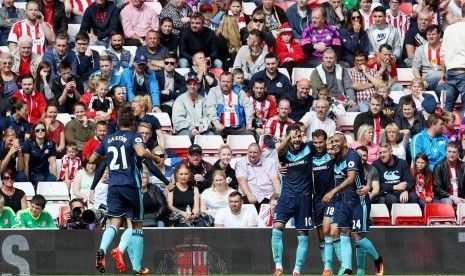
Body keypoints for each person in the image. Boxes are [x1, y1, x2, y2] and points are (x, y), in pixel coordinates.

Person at [89, 106, 161, 275]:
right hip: (130, 185)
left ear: (117, 122)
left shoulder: (108, 138)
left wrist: (106, 153)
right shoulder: (134, 136)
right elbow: (142, 152)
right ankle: (121, 252)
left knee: (114, 223)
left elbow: (91, 159)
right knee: (135, 225)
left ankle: (102, 249)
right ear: (133, 123)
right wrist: (155, 157)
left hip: (113, 186)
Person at [322, 133, 384, 276]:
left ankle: (378, 259)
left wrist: (367, 186)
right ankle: (348, 270)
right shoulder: (336, 158)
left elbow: (351, 179)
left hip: (358, 201)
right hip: (343, 202)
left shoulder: (352, 156)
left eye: (337, 141)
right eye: (333, 142)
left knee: (358, 237)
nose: (335, 144)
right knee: (344, 233)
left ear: (345, 143)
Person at [272, 124, 314, 276]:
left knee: (302, 235)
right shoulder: (284, 152)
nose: (296, 139)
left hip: (304, 198)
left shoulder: (309, 147)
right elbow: (279, 150)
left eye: (298, 136)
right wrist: (290, 136)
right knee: (276, 229)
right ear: (288, 136)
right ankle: (278, 267)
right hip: (286, 197)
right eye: (293, 136)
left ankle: (297, 271)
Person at [205, 72, 255, 137]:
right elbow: (210, 108)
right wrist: (216, 123)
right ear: (219, 81)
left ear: (232, 82)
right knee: (215, 135)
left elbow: (248, 106)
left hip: (238, 128)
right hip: (221, 128)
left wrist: (249, 123)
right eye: (223, 81)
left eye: (228, 82)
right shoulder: (214, 91)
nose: (225, 84)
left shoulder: (238, 91)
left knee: (250, 134)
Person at [373, 142, 418, 210]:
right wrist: (395, 187)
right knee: (392, 199)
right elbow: (379, 185)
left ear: (391, 151)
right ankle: (393, 220)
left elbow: (410, 181)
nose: (382, 155)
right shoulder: (376, 165)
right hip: (386, 192)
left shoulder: (402, 163)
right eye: (380, 153)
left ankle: (412, 220)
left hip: (401, 191)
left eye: (384, 152)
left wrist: (405, 190)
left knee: (413, 197)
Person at [236, 143, 280, 211]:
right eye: (250, 152)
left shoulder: (269, 162)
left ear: (260, 153)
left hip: (268, 195)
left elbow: (275, 179)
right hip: (250, 195)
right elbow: (242, 180)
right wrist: (249, 194)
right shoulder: (241, 163)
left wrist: (277, 195)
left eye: (255, 152)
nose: (252, 155)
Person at [172, 74, 213, 140]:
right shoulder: (180, 99)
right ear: (186, 86)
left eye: (195, 84)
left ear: (199, 86)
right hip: (185, 129)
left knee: (212, 137)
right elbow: (177, 119)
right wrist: (191, 128)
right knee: (188, 136)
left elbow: (207, 116)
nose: (192, 86)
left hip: (201, 130)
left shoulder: (203, 100)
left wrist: (202, 127)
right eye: (190, 84)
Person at [440, 6, 465, 113]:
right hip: (463, 71)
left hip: (450, 72)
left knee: (448, 107)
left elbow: (443, 54)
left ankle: (444, 130)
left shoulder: (449, 29)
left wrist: (443, 73)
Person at [23, 121, 58, 189]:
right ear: (34, 132)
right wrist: (26, 181)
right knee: (40, 179)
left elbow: (53, 163)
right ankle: (38, 198)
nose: (40, 131)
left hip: (45, 173)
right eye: (37, 130)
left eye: (43, 130)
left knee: (52, 179)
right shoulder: (28, 143)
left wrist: (55, 180)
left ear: (45, 131)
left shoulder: (51, 144)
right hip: (33, 173)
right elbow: (26, 163)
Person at [412, 25, 444, 98]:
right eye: (428, 34)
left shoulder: (445, 48)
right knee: (420, 88)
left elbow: (450, 66)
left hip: (442, 80)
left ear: (439, 34)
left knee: (443, 90)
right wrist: (421, 81)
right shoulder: (420, 49)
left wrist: (444, 78)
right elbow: (415, 68)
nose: (431, 37)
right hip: (426, 81)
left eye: (433, 34)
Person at [432, 141, 465, 206]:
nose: (451, 154)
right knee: (449, 202)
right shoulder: (438, 166)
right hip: (445, 197)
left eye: (454, 152)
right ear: (445, 152)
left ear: (458, 153)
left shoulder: (463, 166)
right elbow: (437, 188)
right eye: (449, 151)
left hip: (461, 196)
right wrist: (453, 197)